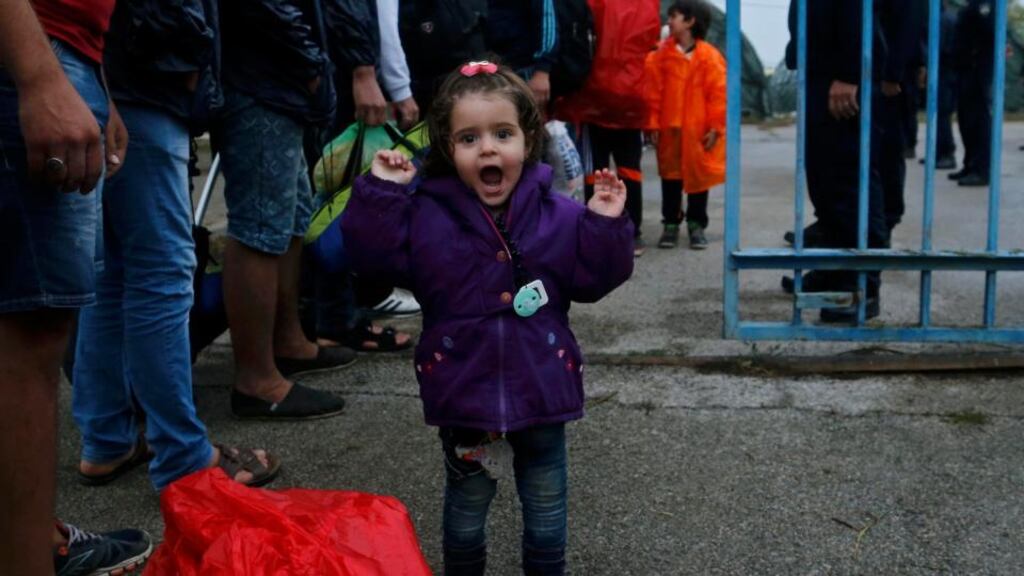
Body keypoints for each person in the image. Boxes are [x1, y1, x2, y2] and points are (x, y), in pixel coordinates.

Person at [341, 62, 634, 575]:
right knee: (465, 513)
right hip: (463, 392)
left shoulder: (559, 214)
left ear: (528, 138)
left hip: (544, 388)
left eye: (503, 134)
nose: (488, 149)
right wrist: (383, 190)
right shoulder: (425, 215)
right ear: (447, 149)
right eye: (469, 138)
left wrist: (606, 223)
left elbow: (593, 280)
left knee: (546, 512)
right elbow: (371, 258)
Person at [71, 0, 280, 491]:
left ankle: (106, 437)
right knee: (161, 272)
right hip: (143, 83)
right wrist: (186, 61)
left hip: (111, 77)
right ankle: (183, 455)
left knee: (113, 272)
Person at [0, 0, 153, 573]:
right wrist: (41, 76)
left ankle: (32, 534)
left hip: (60, 55)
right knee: (27, 332)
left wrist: (94, 82)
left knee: (40, 325)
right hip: (30, 54)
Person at [215, 0, 352, 419]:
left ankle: (286, 341)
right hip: (262, 79)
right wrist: (311, 68)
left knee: (289, 216)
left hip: (279, 82)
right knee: (260, 227)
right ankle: (256, 378)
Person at [644, 0, 726, 250]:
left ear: (690, 21)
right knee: (670, 178)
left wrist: (716, 127)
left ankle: (696, 225)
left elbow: (718, 95)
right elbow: (652, 93)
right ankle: (670, 224)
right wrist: (653, 124)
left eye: (674, 16)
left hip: (699, 131)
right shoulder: (660, 56)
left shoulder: (710, 57)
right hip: (670, 130)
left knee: (699, 178)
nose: (669, 21)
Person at [949, 0, 995, 187]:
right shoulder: (972, 4)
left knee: (978, 120)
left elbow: (989, 32)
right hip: (965, 68)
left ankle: (981, 169)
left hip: (976, 69)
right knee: (967, 120)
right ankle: (969, 164)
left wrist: (975, 56)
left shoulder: (986, 3)